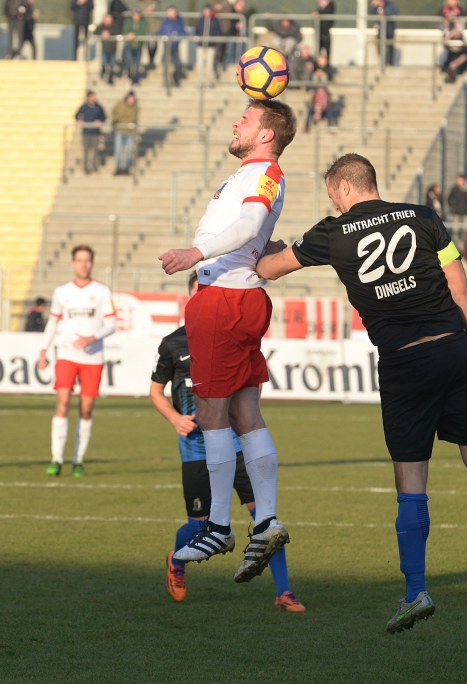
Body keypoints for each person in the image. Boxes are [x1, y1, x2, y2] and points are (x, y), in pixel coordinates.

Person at [255, 152, 467, 633]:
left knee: (411, 482)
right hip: (454, 349)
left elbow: (269, 270)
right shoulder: (424, 217)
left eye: (332, 194)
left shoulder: (332, 232)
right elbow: (460, 288)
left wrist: (266, 245)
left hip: (405, 360)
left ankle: (416, 591)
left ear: (343, 187)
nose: (333, 203)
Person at [158, 99, 297, 584]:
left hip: (224, 301)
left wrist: (196, 252)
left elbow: (250, 226)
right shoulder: (251, 173)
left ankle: (218, 525)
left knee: (213, 416)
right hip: (236, 298)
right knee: (244, 414)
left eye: (246, 119)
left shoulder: (266, 173)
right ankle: (266, 521)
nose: (236, 123)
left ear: (266, 134)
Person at [151, 272, 305, 612]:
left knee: (265, 520)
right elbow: (155, 391)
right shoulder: (173, 343)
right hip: (194, 449)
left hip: (236, 449)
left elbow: (250, 386)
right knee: (198, 524)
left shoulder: (230, 339)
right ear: (191, 299)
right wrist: (176, 418)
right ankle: (175, 561)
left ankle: (284, 592)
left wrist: (244, 418)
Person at [37, 245, 116, 478]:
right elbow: (52, 322)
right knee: (62, 403)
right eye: (79, 260)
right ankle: (56, 459)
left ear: (91, 264)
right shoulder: (62, 292)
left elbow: (111, 324)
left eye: (87, 261)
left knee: (86, 408)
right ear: (73, 263)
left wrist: (94, 336)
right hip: (66, 355)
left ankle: (78, 460)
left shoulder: (102, 291)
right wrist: (43, 350)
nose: (83, 264)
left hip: (93, 358)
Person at [75, 91, 105, 174]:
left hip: (95, 132)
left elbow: (103, 116)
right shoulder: (84, 107)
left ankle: (94, 168)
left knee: (95, 151)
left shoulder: (98, 107)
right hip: (86, 132)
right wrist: (79, 120)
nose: (93, 98)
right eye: (92, 96)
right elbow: (77, 115)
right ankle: (85, 168)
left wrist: (100, 121)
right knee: (86, 151)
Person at [158, 6, 186, 88]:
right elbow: (160, 32)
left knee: (177, 64)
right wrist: (164, 37)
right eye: (169, 12)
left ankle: (176, 81)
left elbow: (183, 32)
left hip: (175, 45)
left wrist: (179, 37)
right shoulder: (165, 22)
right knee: (166, 64)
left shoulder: (179, 22)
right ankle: (166, 81)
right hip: (167, 46)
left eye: (172, 12)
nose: (171, 14)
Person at [111, 91, 138, 176]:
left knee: (128, 151)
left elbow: (133, 118)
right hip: (120, 130)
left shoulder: (135, 107)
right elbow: (114, 114)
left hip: (130, 131)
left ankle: (127, 168)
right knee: (118, 150)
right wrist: (115, 121)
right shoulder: (120, 105)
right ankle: (118, 168)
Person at [195, 6, 222, 83]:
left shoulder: (215, 21)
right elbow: (196, 30)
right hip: (201, 46)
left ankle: (209, 81)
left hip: (211, 46)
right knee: (200, 64)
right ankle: (200, 81)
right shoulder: (200, 20)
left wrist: (215, 41)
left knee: (209, 65)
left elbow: (219, 31)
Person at [121, 8, 148, 85]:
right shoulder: (128, 21)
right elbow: (125, 30)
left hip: (139, 46)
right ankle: (129, 76)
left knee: (138, 63)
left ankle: (136, 79)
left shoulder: (144, 22)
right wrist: (129, 35)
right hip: (129, 45)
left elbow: (143, 32)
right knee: (128, 60)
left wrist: (134, 35)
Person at [95, 13, 119, 84]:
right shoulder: (101, 27)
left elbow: (118, 32)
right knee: (104, 63)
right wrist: (102, 33)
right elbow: (95, 33)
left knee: (112, 64)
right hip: (104, 49)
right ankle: (103, 72)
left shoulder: (114, 26)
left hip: (113, 49)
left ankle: (110, 79)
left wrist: (109, 33)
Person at [373, 0, 399, 66]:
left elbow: (394, 13)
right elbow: (371, 14)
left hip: (389, 31)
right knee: (381, 48)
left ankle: (390, 64)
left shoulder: (390, 5)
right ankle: (383, 63)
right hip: (380, 31)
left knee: (390, 47)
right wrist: (374, 6)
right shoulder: (376, 7)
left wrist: (385, 12)